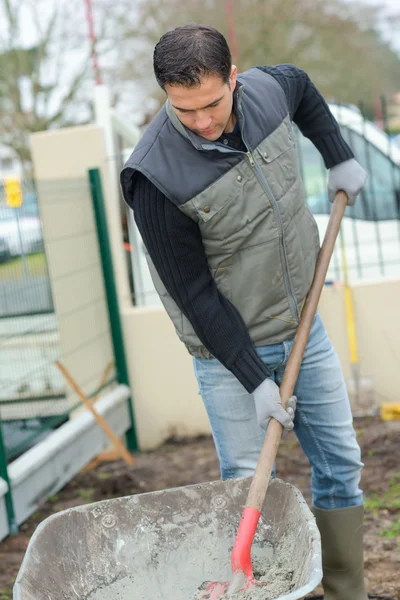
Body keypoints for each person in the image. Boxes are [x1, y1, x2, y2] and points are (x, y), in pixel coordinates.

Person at [120, 24, 368, 599]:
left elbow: (302, 85)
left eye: (211, 102)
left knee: (342, 464)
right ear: (164, 95)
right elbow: (194, 293)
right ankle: (267, 589)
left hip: (304, 326)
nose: (203, 121)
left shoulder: (266, 92)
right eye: (185, 110)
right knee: (251, 487)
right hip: (229, 357)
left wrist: (338, 155)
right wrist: (255, 379)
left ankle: (347, 590)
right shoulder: (154, 176)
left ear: (233, 78)